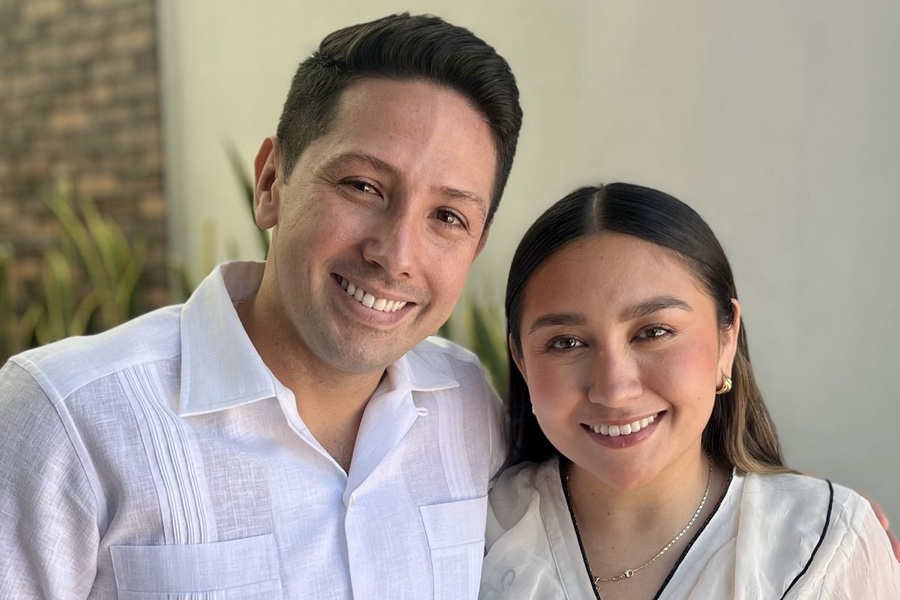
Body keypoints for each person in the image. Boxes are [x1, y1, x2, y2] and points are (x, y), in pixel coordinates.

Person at [0, 13, 521, 599]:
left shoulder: (468, 404)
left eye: (448, 216)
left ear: (476, 244)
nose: (396, 255)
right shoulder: (66, 419)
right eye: (362, 186)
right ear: (271, 183)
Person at [480, 183, 900, 599]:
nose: (614, 390)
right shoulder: (475, 532)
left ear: (726, 339)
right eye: (566, 342)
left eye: (654, 332)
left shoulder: (826, 550)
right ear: (521, 359)